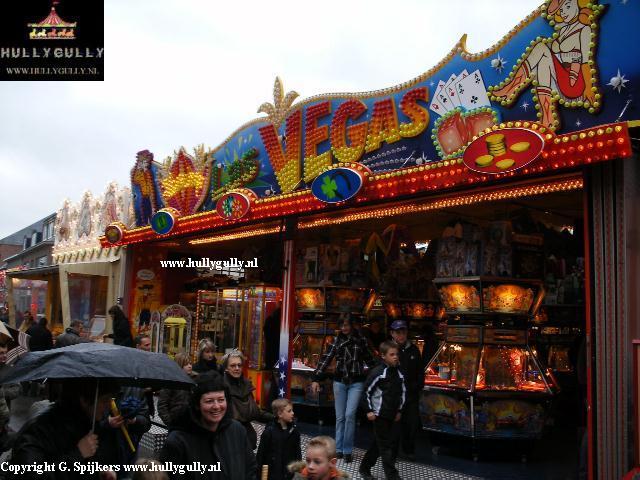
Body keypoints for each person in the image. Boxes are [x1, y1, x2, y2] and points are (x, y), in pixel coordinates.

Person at [491, 0, 596, 129]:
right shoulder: (564, 30)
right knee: (542, 62)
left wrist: (590, 90)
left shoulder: (584, 29)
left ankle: (511, 88)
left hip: (574, 82)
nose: (563, 12)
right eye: (561, 10)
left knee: (541, 48)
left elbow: (584, 61)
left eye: (568, 6)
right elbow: (555, 52)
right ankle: (547, 118)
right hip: (561, 77)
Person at [9, 378, 120, 479]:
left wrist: (98, 473)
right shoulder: (41, 431)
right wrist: (78, 454)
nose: (109, 406)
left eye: (111, 400)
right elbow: (29, 475)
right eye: (104, 400)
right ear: (84, 401)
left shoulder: (88, 426)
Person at [159, 372, 257, 480]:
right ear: (197, 404)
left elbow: (250, 469)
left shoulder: (237, 430)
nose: (216, 406)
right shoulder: (178, 441)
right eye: (209, 401)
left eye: (221, 400)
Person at [310, 314, 375, 463]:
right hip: (339, 381)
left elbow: (370, 360)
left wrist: (380, 374)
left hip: (356, 382)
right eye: (341, 325)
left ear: (352, 325)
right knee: (340, 417)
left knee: (350, 415)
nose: (344, 328)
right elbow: (326, 359)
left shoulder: (361, 340)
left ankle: (347, 450)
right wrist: (316, 378)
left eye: (346, 325)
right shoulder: (336, 340)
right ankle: (339, 449)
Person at [359, 341, 405, 480]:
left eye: (397, 354)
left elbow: (403, 392)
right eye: (392, 354)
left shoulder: (399, 372)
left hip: (393, 414)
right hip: (379, 415)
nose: (395, 357)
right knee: (385, 447)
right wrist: (369, 410)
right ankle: (392, 476)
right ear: (383, 356)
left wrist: (399, 410)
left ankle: (364, 468)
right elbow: (365, 392)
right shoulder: (378, 372)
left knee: (379, 445)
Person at [389, 320, 424, 461]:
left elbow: (420, 371)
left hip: (411, 395)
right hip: (395, 395)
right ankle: (392, 453)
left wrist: (417, 386)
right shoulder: (389, 350)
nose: (401, 335)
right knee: (394, 426)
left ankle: (409, 450)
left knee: (412, 424)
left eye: (403, 332)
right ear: (392, 333)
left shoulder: (414, 349)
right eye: (398, 332)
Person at [222, 350, 269, 449]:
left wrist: (276, 417)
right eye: (233, 365)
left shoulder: (246, 384)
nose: (237, 368)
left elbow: (255, 412)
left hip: (246, 437)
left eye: (239, 365)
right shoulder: (221, 385)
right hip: (228, 435)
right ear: (226, 368)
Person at [256, 398, 301, 480]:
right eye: (289, 411)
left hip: (289, 475)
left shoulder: (294, 431)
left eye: (292, 410)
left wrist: (298, 472)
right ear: (280, 414)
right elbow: (261, 455)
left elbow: (298, 453)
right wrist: (259, 476)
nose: (293, 413)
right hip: (273, 475)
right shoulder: (269, 432)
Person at [158, 353, 196, 428]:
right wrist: (170, 422)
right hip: (176, 422)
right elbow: (162, 405)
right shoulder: (171, 381)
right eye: (186, 364)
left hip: (192, 422)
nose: (190, 366)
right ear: (179, 365)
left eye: (190, 363)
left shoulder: (195, 379)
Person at [0, 343, 20, 451]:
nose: (4, 355)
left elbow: (17, 390)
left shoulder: (10, 370)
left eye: (5, 353)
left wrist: (2, 393)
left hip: (3, 417)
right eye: (0, 353)